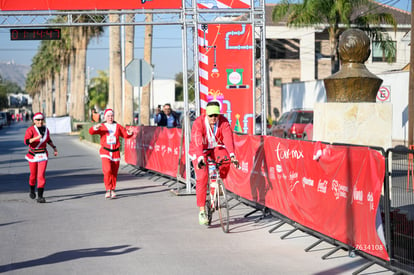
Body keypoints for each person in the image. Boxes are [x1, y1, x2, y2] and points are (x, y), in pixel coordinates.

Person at [189, 101, 239, 225]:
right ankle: (201, 211)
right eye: (211, 116)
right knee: (202, 177)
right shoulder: (198, 123)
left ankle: (216, 186)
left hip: (216, 147)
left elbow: (228, 138)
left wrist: (232, 155)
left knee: (225, 160)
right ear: (206, 114)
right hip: (200, 150)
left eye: (216, 115)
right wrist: (200, 158)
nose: (214, 118)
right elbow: (197, 141)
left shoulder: (223, 121)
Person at [89, 108, 134, 199]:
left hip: (115, 152)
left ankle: (112, 190)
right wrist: (95, 127)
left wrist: (130, 133)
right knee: (107, 170)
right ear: (105, 117)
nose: (110, 117)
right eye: (108, 116)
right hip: (105, 152)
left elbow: (125, 135)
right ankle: (108, 189)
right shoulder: (102, 126)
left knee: (114, 172)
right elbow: (91, 132)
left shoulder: (118, 126)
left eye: (111, 116)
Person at [24, 112, 58, 203]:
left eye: (41, 119)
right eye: (38, 120)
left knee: (41, 175)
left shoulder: (46, 129)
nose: (40, 121)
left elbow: (48, 140)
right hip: (33, 155)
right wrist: (36, 138)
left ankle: (40, 196)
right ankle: (32, 190)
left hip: (43, 155)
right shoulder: (30, 130)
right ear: (34, 121)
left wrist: (54, 148)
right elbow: (26, 142)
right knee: (33, 176)